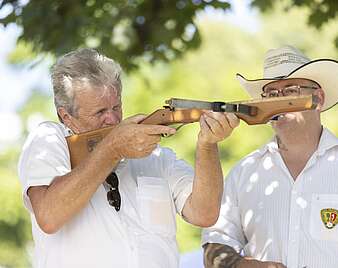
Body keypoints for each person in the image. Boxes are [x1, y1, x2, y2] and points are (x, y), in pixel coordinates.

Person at [18, 48, 239, 268]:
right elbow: (49, 215)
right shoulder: (48, 138)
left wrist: (208, 144)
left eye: (116, 107)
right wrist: (113, 149)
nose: (112, 119)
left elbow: (204, 214)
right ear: (66, 116)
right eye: (100, 112)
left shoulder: (157, 157)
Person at [202, 45, 338, 268]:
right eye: (272, 94)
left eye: (290, 91)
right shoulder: (244, 172)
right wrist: (243, 266)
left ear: (319, 98)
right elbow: (214, 244)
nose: (278, 102)